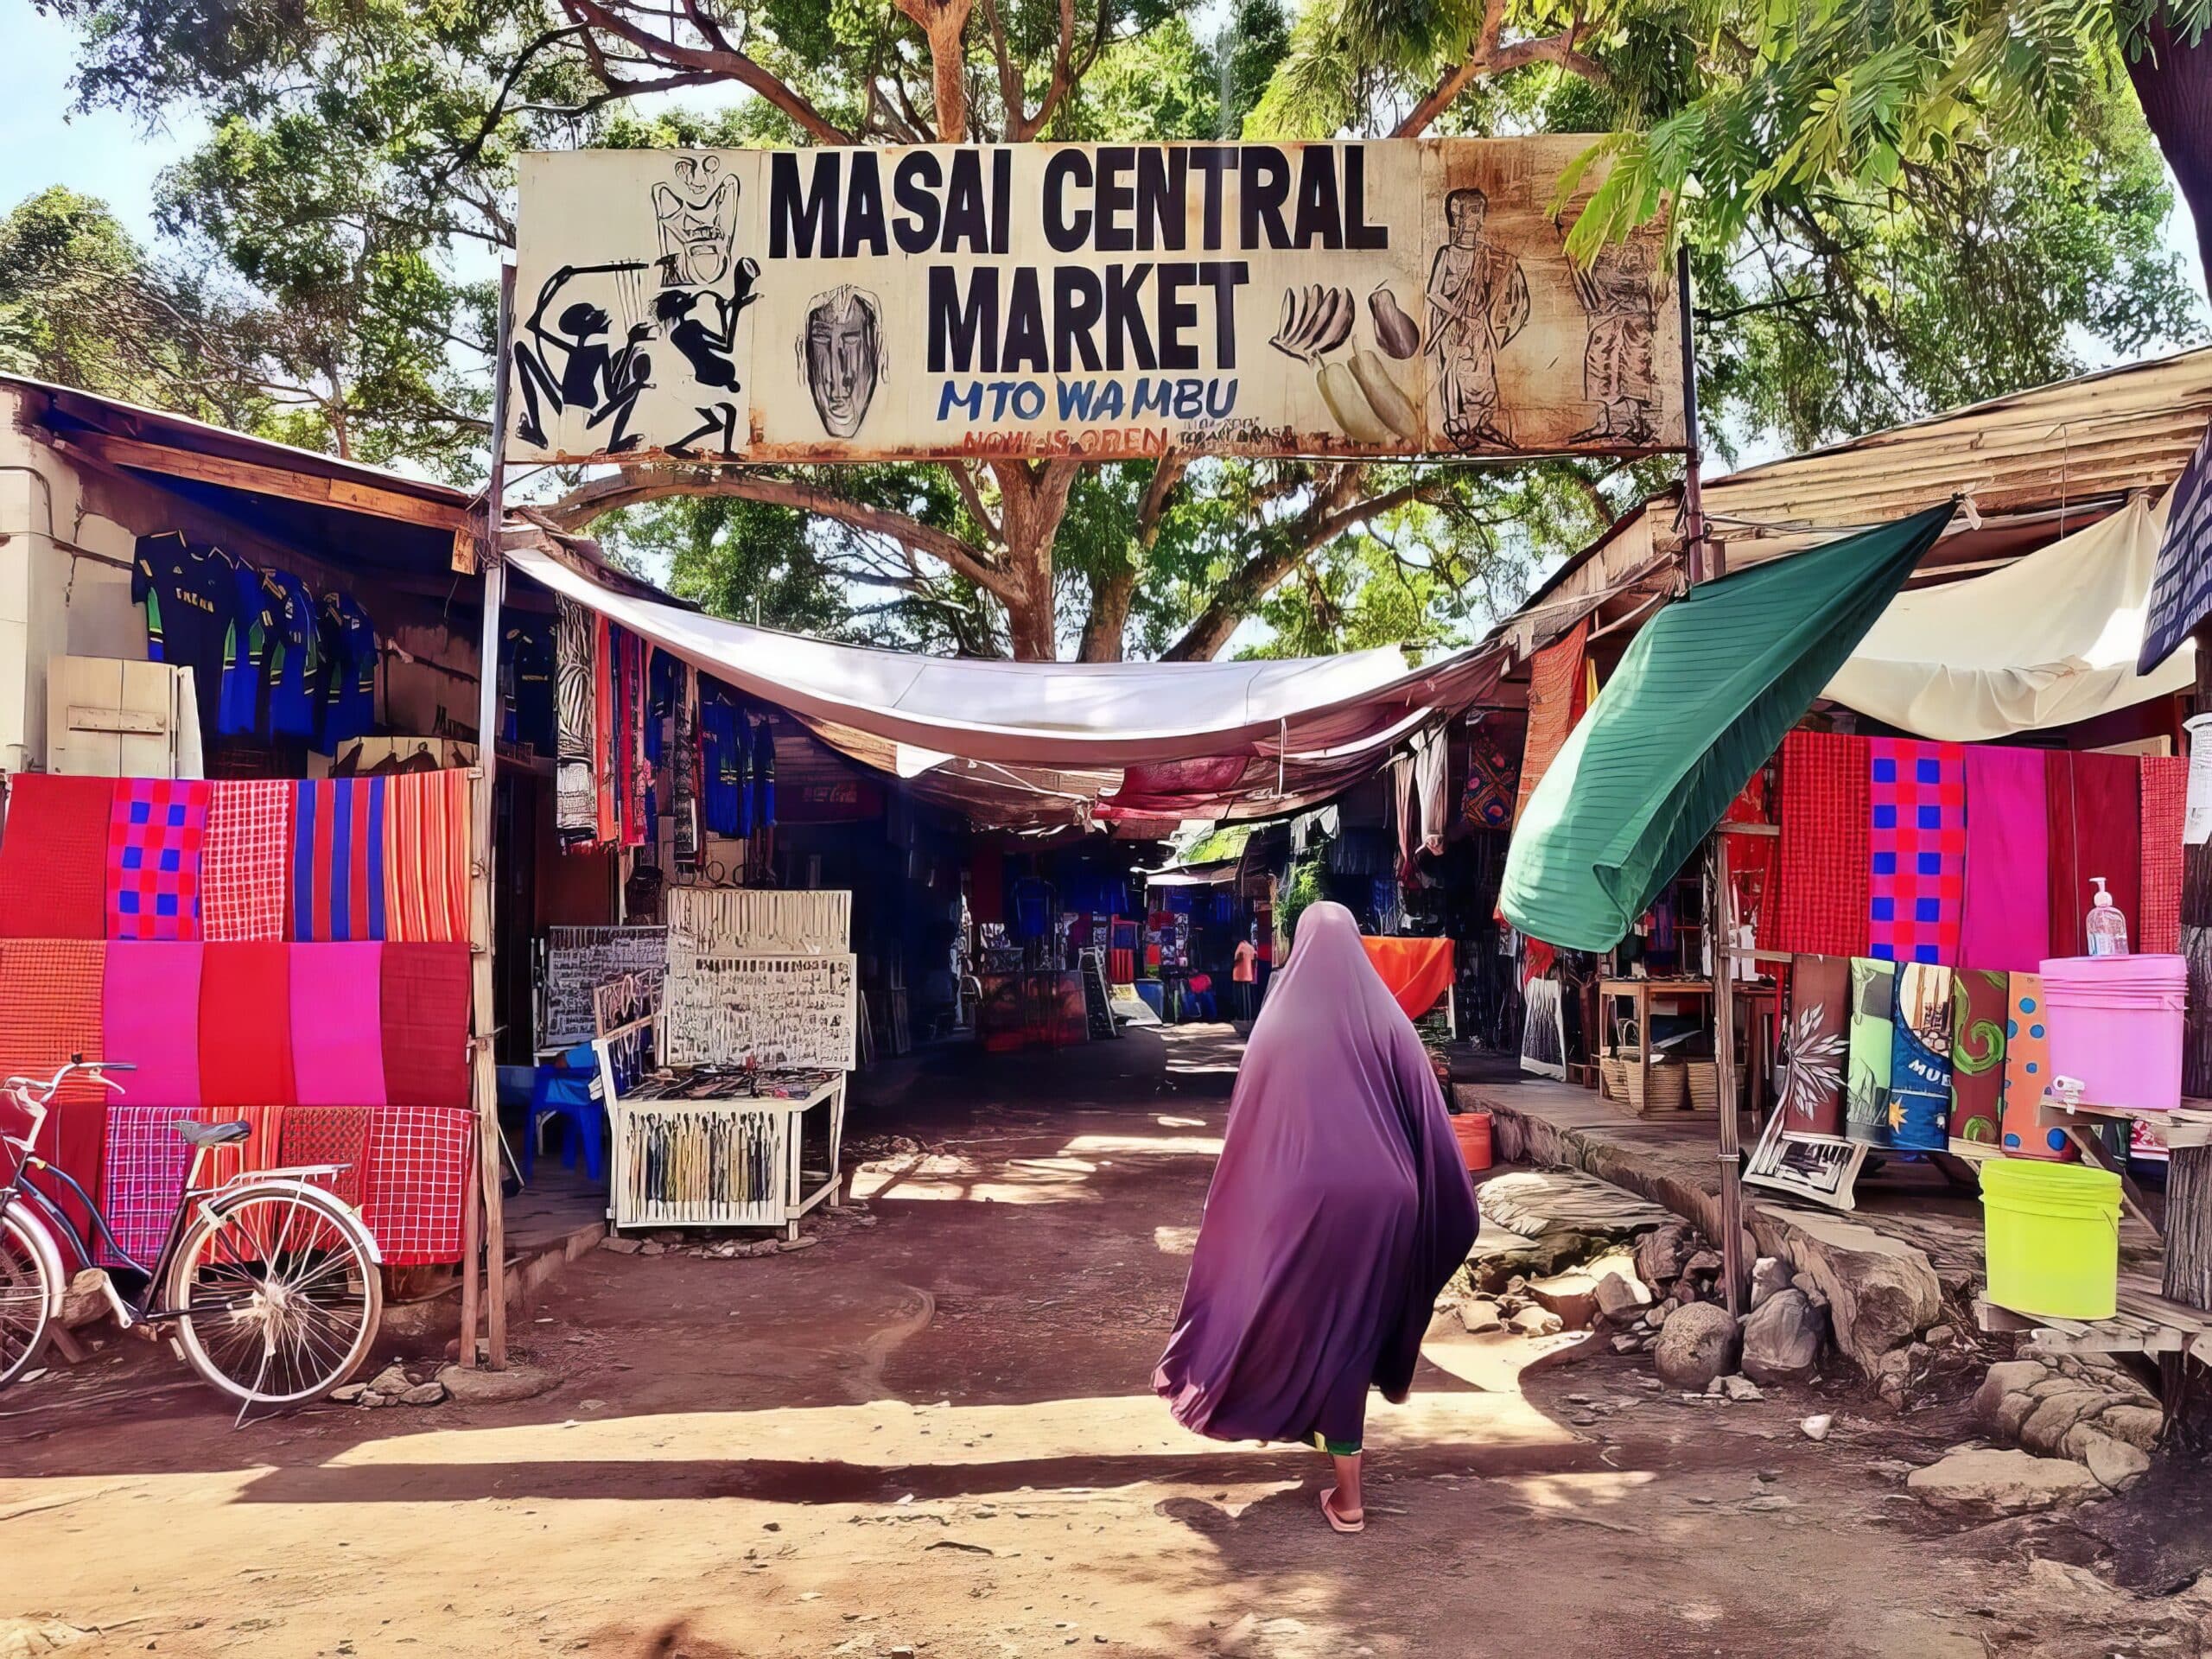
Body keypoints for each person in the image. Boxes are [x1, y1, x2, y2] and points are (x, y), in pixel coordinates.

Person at [1154, 902, 1477, 1534]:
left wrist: (1240, 1212)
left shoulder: (1276, 1024)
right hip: (1390, 1202)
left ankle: (1341, 1485)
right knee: (1353, 1332)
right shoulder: (1388, 1019)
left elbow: (1252, 1131)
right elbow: (1431, 1117)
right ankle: (1344, 1468)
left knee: (1296, 1319)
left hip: (1303, 1202)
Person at [1231, 931, 1259, 1021]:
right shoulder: (1251, 948)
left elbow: (1236, 957)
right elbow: (1255, 957)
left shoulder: (1241, 947)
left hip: (1240, 975)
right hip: (1249, 974)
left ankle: (1242, 1017)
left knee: (1241, 998)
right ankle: (1249, 1017)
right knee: (1248, 997)